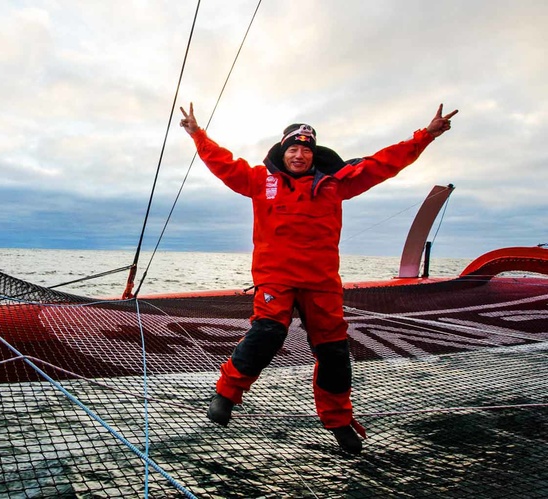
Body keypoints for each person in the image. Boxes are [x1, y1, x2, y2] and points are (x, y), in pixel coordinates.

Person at [179, 103, 457, 454]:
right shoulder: (259, 180)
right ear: (283, 152)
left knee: (335, 354)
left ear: (314, 154)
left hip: (321, 282)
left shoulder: (336, 183)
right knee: (267, 333)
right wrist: (197, 133)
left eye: (306, 149)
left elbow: (384, 163)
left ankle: (339, 421)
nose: (299, 155)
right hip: (276, 278)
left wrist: (426, 135)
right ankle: (227, 393)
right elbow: (222, 163)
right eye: (293, 148)